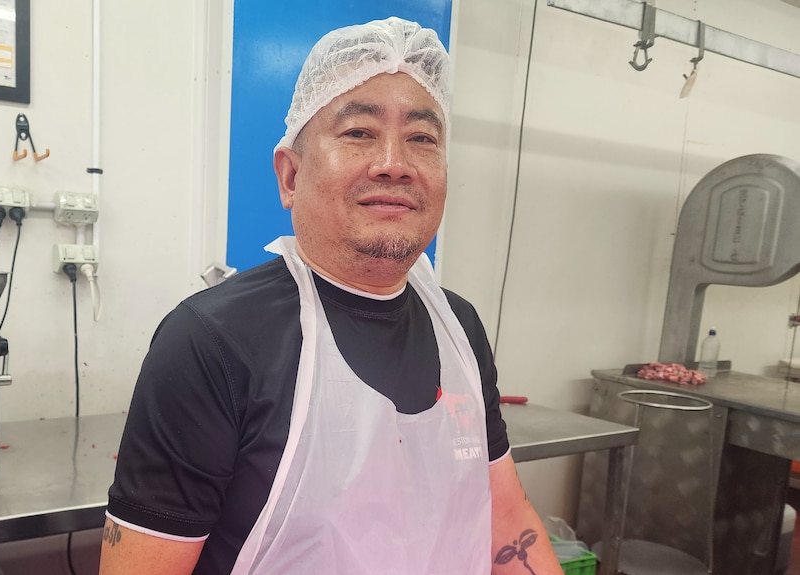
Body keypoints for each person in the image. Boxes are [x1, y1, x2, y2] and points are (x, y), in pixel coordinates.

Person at [99, 16, 563, 575]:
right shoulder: (212, 342)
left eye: (422, 138)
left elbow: (506, 521)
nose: (394, 163)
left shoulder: (458, 327)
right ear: (290, 176)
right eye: (359, 132)